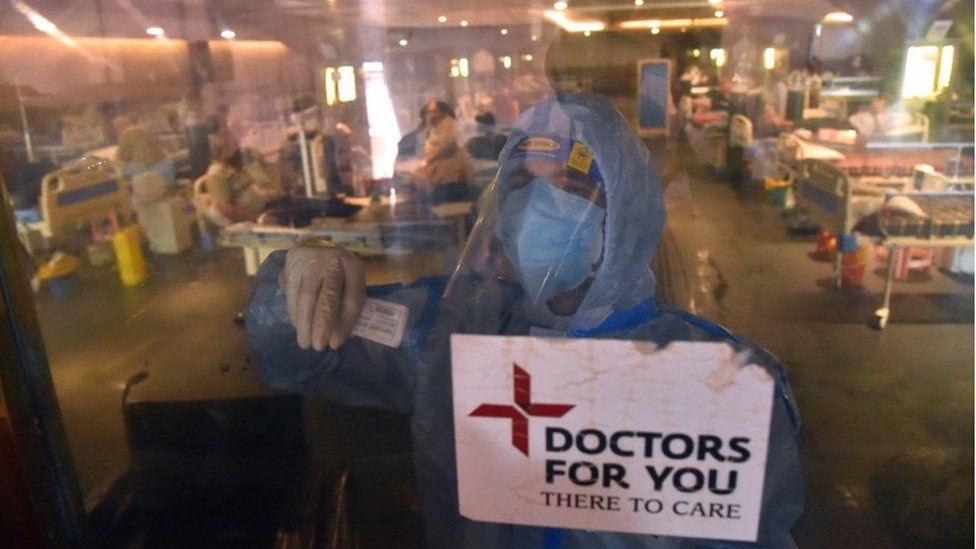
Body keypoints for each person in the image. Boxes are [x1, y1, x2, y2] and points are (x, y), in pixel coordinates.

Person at [246, 93, 803, 548]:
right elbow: (302, 349)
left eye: (571, 188)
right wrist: (301, 274)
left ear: (625, 215)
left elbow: (753, 534)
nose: (539, 207)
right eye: (522, 187)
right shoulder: (452, 331)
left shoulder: (716, 379)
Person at [410, 99, 473, 203]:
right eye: (429, 112)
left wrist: (428, 160)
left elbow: (447, 146)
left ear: (442, 112)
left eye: (434, 111)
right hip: (436, 169)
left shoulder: (449, 123)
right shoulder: (433, 128)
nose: (431, 115)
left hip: (448, 170)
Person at [113, 115, 174, 182]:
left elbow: (122, 156)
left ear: (118, 127)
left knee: (118, 166)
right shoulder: (146, 128)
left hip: (142, 171)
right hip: (163, 167)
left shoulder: (125, 135)